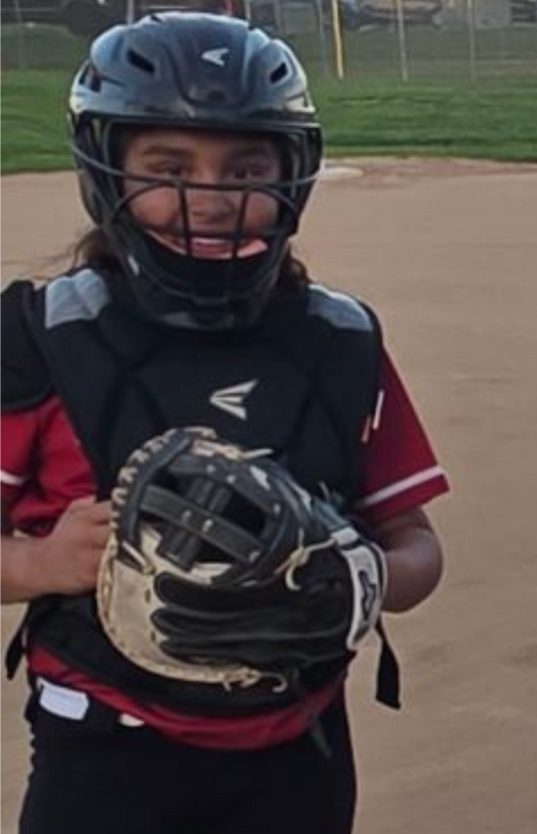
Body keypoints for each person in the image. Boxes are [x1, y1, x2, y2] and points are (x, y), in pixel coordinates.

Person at [0, 13, 449, 834]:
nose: (210, 199)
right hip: (103, 749)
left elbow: (415, 541)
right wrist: (40, 562)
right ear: (108, 171)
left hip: (295, 749)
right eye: (167, 167)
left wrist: (366, 580)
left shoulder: (336, 341)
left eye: (246, 167)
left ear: (291, 175)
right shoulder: (40, 338)